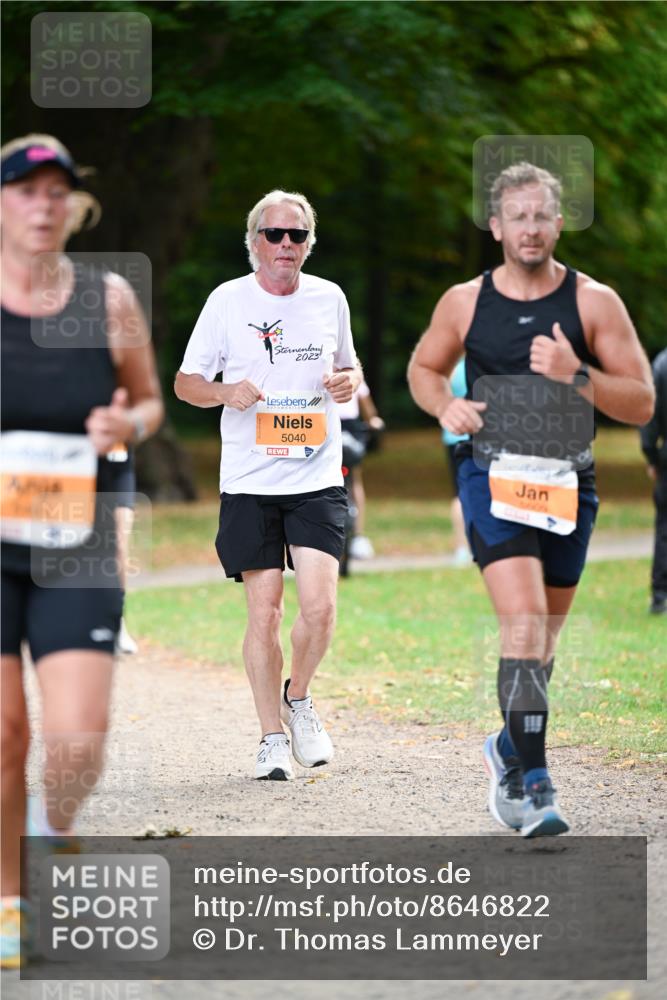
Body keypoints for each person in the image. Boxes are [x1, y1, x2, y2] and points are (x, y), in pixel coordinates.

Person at [408, 161, 654, 838]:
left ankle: (508, 746)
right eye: (516, 216)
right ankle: (531, 783)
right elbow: (422, 368)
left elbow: (640, 402)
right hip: (489, 474)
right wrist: (445, 404)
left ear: (558, 221)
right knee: (520, 623)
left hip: (567, 482)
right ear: (495, 227)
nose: (530, 228)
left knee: (541, 639)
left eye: (541, 214)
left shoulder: (593, 302)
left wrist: (577, 375)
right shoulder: (465, 301)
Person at [0, 134, 164, 967]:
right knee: (3, 731)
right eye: (25, 190)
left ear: (73, 206)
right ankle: (6, 899)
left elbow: (149, 402)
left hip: (78, 537)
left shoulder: (106, 301)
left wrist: (123, 425)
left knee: (75, 738)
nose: (42, 204)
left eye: (56, 191)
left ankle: (50, 826)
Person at [175, 189, 362, 781]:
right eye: (275, 235)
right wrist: (225, 392)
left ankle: (298, 697)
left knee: (322, 606)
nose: (286, 245)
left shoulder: (329, 297)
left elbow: (351, 369)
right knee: (265, 611)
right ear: (254, 241)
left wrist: (345, 384)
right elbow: (185, 383)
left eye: (297, 236)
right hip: (251, 477)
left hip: (314, 472)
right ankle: (270, 738)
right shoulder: (227, 301)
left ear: (308, 243)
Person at [338, 380, 385, 559]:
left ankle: (357, 535)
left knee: (353, 477)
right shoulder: (350, 372)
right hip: (345, 427)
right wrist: (373, 421)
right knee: (355, 480)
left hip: (335, 425)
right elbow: (369, 410)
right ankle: (358, 535)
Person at [640, 347, 667, 614]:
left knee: (664, 530)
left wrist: (652, 457)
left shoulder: (661, 363)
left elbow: (649, 416)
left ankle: (660, 594)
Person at [441, 357, 472, 566]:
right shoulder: (479, 365)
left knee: (458, 495)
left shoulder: (450, 369)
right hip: (477, 435)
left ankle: (462, 548)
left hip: (452, 437)